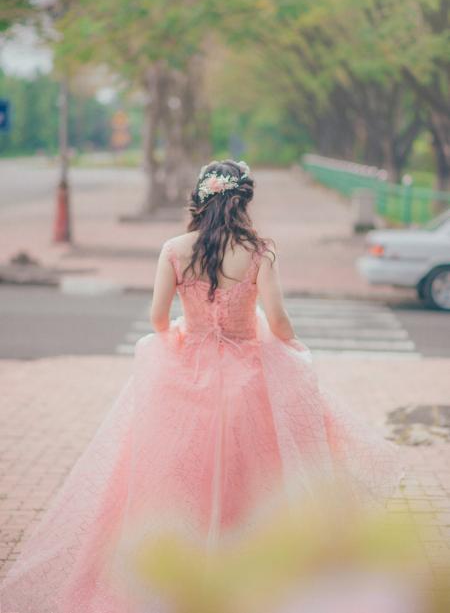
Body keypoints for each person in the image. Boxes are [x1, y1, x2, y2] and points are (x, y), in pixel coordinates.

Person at [0, 159, 401, 613]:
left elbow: (155, 319)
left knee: (175, 481)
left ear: (200, 199)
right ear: (243, 201)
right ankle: (245, 569)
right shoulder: (259, 252)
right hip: (248, 381)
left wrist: (182, 332)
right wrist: (288, 343)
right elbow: (281, 322)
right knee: (252, 478)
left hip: (186, 379)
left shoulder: (173, 248)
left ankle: (180, 573)